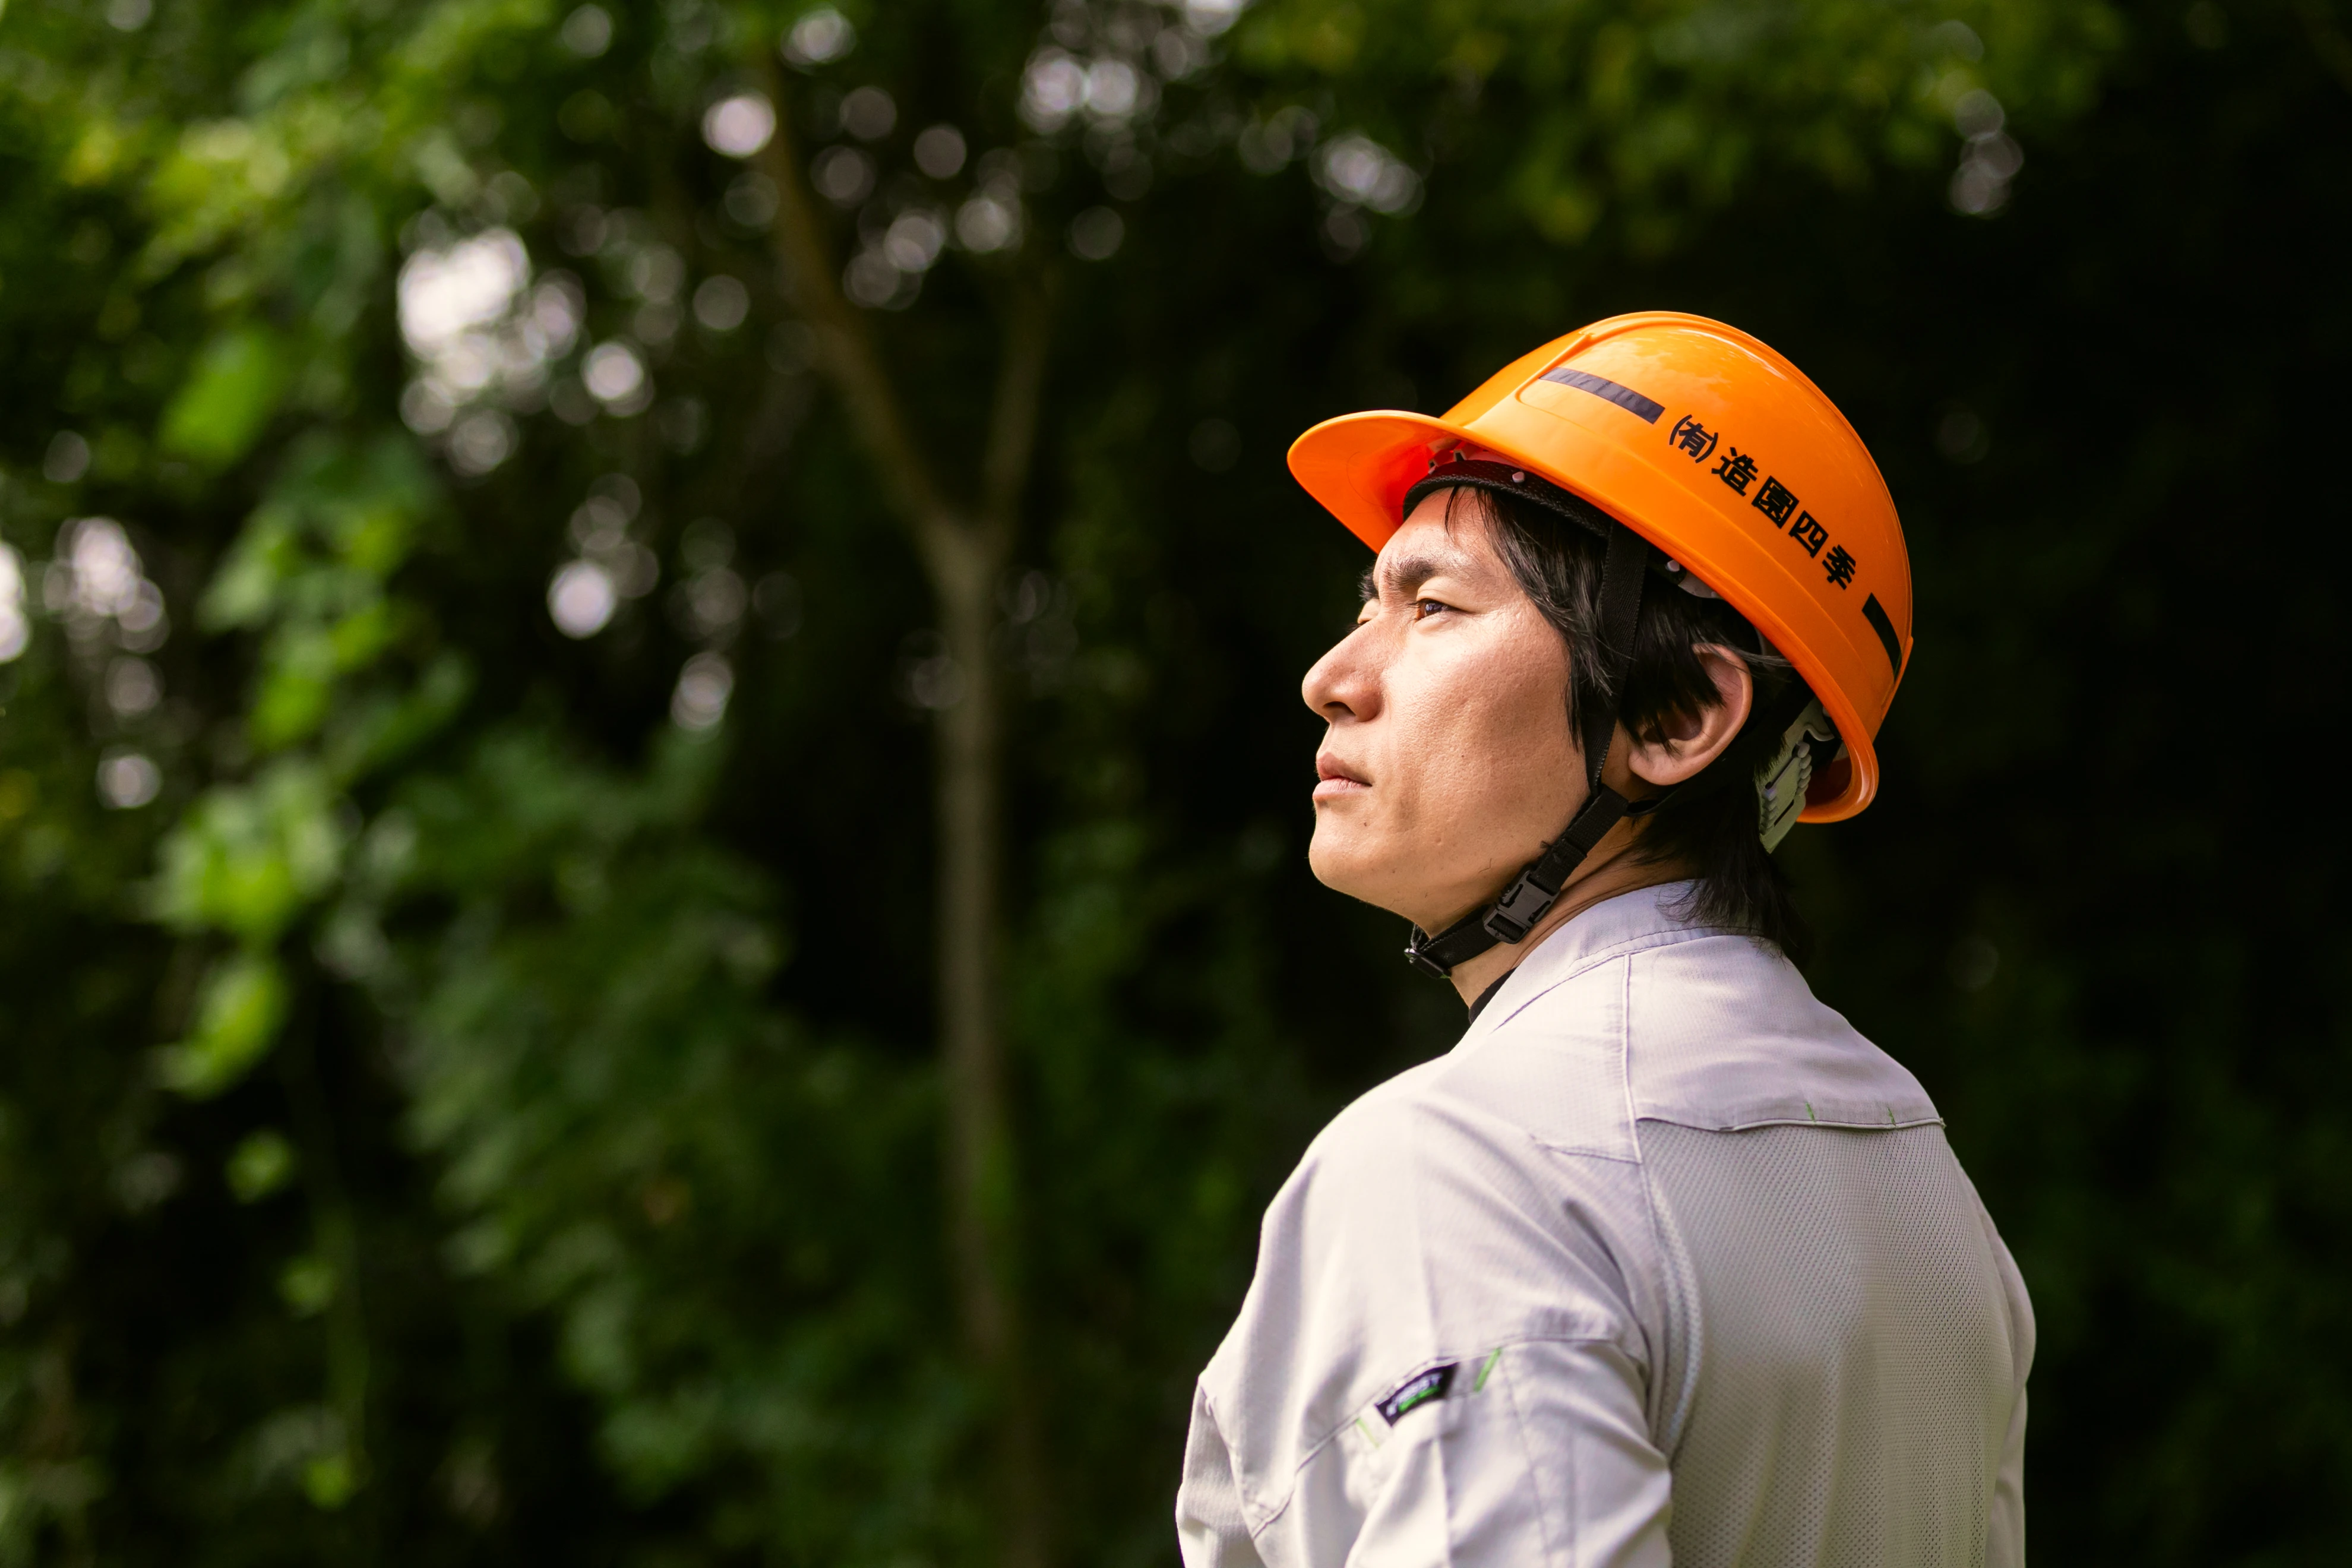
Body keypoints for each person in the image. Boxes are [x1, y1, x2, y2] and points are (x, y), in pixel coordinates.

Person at [1175, 314, 2033, 1567]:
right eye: (1371, 601)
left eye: (1434, 606)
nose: (1333, 674)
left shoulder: (1466, 1172)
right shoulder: (1925, 1186)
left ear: (1680, 716)